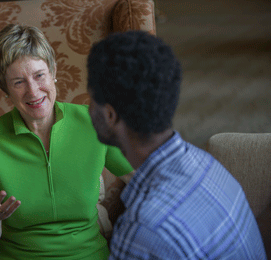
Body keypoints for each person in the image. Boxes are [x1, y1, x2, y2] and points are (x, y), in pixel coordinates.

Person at [86, 30, 267, 259]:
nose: (89, 107)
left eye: (91, 97)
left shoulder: (143, 231)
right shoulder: (207, 164)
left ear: (111, 115)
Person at [0, 24, 134, 260]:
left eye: (39, 75)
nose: (33, 92)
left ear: (53, 71)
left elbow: (144, 176)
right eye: (18, 82)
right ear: (4, 88)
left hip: (87, 255)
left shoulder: (94, 122)